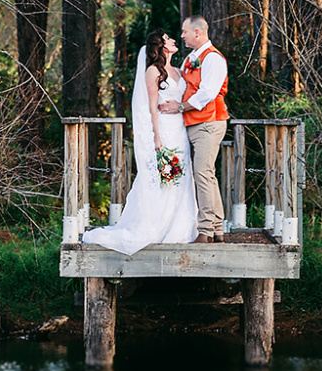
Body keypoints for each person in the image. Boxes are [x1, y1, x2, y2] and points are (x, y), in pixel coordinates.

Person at [80, 31, 199, 253]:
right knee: (165, 178)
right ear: (161, 46)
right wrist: (156, 135)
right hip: (164, 128)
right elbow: (150, 107)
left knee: (181, 177)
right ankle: (157, 225)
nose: (173, 40)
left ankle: (179, 228)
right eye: (168, 39)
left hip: (179, 130)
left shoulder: (178, 71)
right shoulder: (153, 72)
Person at [158, 15, 229, 243]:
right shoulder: (190, 58)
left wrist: (179, 107)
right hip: (194, 123)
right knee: (207, 174)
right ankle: (217, 228)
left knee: (203, 173)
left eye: (184, 31)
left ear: (197, 32)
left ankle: (206, 231)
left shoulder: (214, 59)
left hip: (209, 122)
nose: (181, 35)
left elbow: (207, 93)